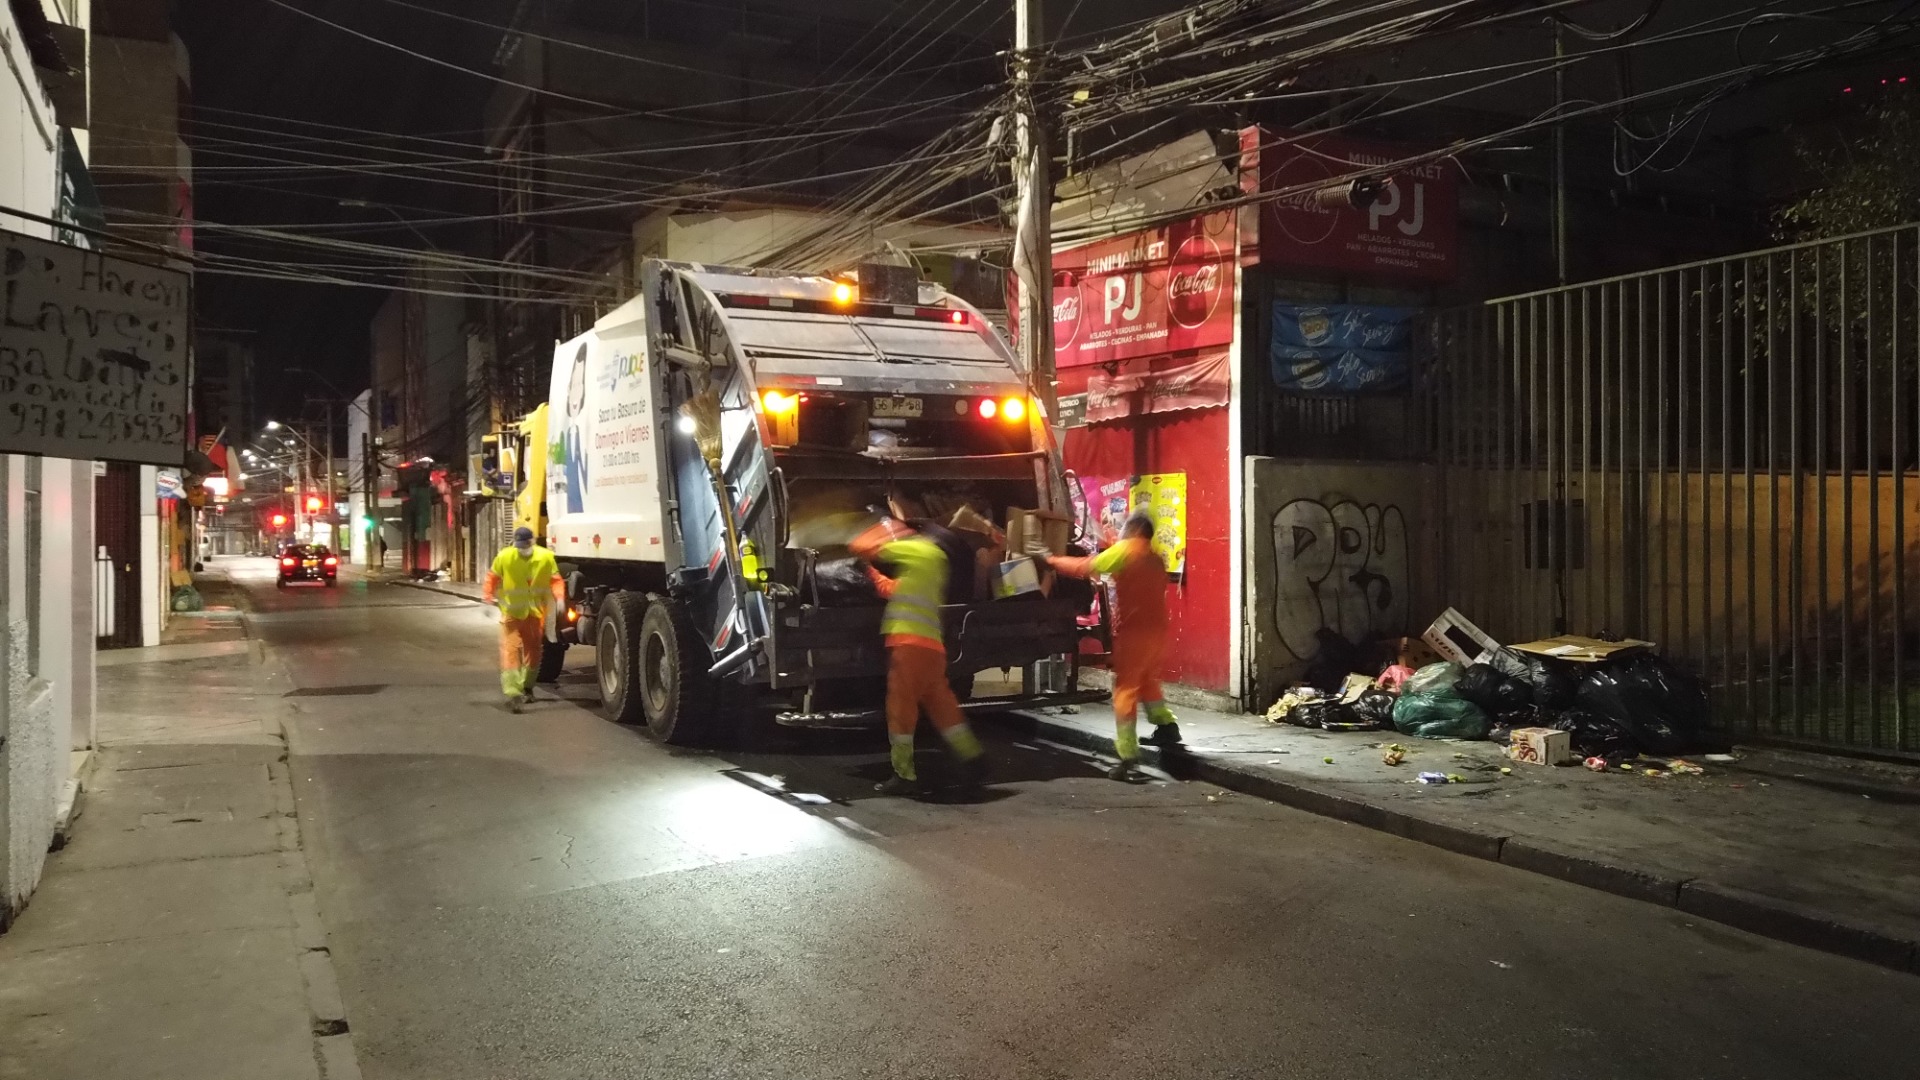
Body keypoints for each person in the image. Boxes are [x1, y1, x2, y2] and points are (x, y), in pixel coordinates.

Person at [850, 511, 988, 796]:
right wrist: (873, 573)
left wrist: (852, 536)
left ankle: (904, 774)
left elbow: (866, 546)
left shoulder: (914, 548)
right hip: (932, 647)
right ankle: (973, 758)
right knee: (942, 706)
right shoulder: (932, 562)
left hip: (907, 645)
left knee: (901, 710)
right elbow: (895, 589)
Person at [1048, 513, 1181, 780]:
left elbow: (1086, 567)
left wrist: (1050, 559)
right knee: (1147, 683)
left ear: (1132, 530)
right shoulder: (1154, 557)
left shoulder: (1126, 550)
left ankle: (1128, 759)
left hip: (1134, 633)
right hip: (1157, 632)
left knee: (1125, 691)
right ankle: (1167, 728)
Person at [481, 526, 565, 713]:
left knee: (534, 652)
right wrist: (486, 599)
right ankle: (513, 693)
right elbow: (491, 578)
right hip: (511, 613)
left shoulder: (545, 557)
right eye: (518, 545)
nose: (521, 549)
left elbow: (556, 580)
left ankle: (527, 686)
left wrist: (559, 598)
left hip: (534, 613)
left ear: (532, 542)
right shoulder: (505, 556)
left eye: (524, 545)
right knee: (510, 651)